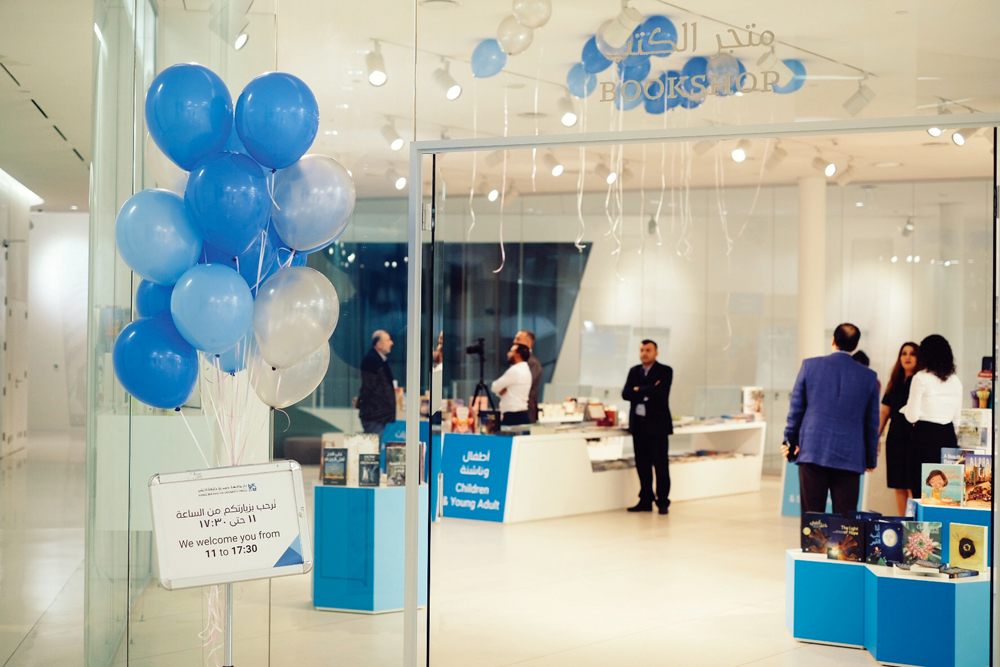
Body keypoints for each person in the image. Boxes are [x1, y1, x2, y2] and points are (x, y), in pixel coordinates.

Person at [783, 323, 879, 517]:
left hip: (813, 450)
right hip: (850, 457)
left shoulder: (810, 366)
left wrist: (789, 441)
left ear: (833, 340)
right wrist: (870, 459)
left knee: (813, 518)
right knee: (846, 522)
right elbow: (871, 423)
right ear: (856, 345)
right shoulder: (868, 377)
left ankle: (812, 548)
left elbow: (796, 409)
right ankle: (844, 547)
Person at [900, 334, 963, 500]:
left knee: (921, 491)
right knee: (946, 493)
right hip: (948, 436)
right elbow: (957, 419)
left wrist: (906, 410)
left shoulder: (920, 378)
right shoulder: (956, 381)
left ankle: (922, 525)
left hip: (924, 437)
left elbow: (912, 417)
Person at [621, 340, 673, 514]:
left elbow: (661, 392)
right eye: (642, 349)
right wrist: (647, 389)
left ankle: (663, 501)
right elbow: (626, 393)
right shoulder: (634, 371)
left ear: (656, 352)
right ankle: (645, 499)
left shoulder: (665, 371)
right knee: (642, 465)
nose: (644, 353)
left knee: (660, 465)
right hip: (639, 426)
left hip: (658, 426)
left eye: (648, 350)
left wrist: (638, 389)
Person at [879, 342, 919, 515]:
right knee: (898, 485)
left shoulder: (920, 381)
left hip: (914, 437)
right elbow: (884, 411)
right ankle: (902, 525)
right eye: (904, 353)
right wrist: (875, 437)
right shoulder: (894, 381)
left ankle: (914, 528)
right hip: (895, 437)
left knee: (912, 485)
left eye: (912, 353)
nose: (907, 357)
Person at [357, 330, 396, 437]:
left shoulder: (380, 359)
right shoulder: (372, 360)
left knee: (377, 446)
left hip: (379, 415)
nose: (391, 343)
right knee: (374, 447)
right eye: (388, 340)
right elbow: (372, 387)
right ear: (378, 344)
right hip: (375, 415)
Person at [491, 343, 532, 426]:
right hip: (523, 413)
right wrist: (499, 392)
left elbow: (494, 386)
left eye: (511, 351)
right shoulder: (526, 370)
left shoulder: (515, 370)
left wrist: (498, 392)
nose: (508, 354)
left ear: (518, 355)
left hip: (513, 415)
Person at [514, 330, 542, 423]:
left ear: (528, 343)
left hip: (526, 411)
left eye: (518, 339)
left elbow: (525, 385)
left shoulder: (533, 363)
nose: (515, 342)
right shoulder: (517, 361)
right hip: (515, 410)